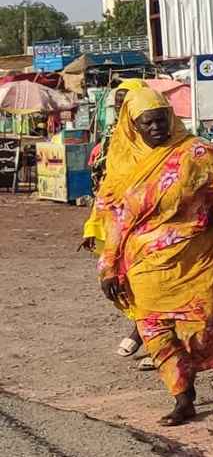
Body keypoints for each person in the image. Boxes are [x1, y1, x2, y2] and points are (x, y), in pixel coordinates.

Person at [82, 86, 213, 426]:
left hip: (197, 258)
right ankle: (182, 396)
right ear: (133, 125)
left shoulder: (196, 153)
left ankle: (187, 372)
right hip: (144, 265)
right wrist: (108, 267)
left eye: (161, 120)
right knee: (154, 330)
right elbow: (115, 219)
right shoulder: (122, 163)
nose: (156, 128)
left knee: (203, 325)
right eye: (147, 123)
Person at [85, 79, 157, 368]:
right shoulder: (115, 139)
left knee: (152, 282)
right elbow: (107, 185)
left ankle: (149, 338)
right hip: (118, 222)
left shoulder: (158, 139)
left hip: (154, 225)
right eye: (118, 104)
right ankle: (144, 329)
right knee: (123, 281)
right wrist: (93, 224)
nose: (121, 109)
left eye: (128, 102)